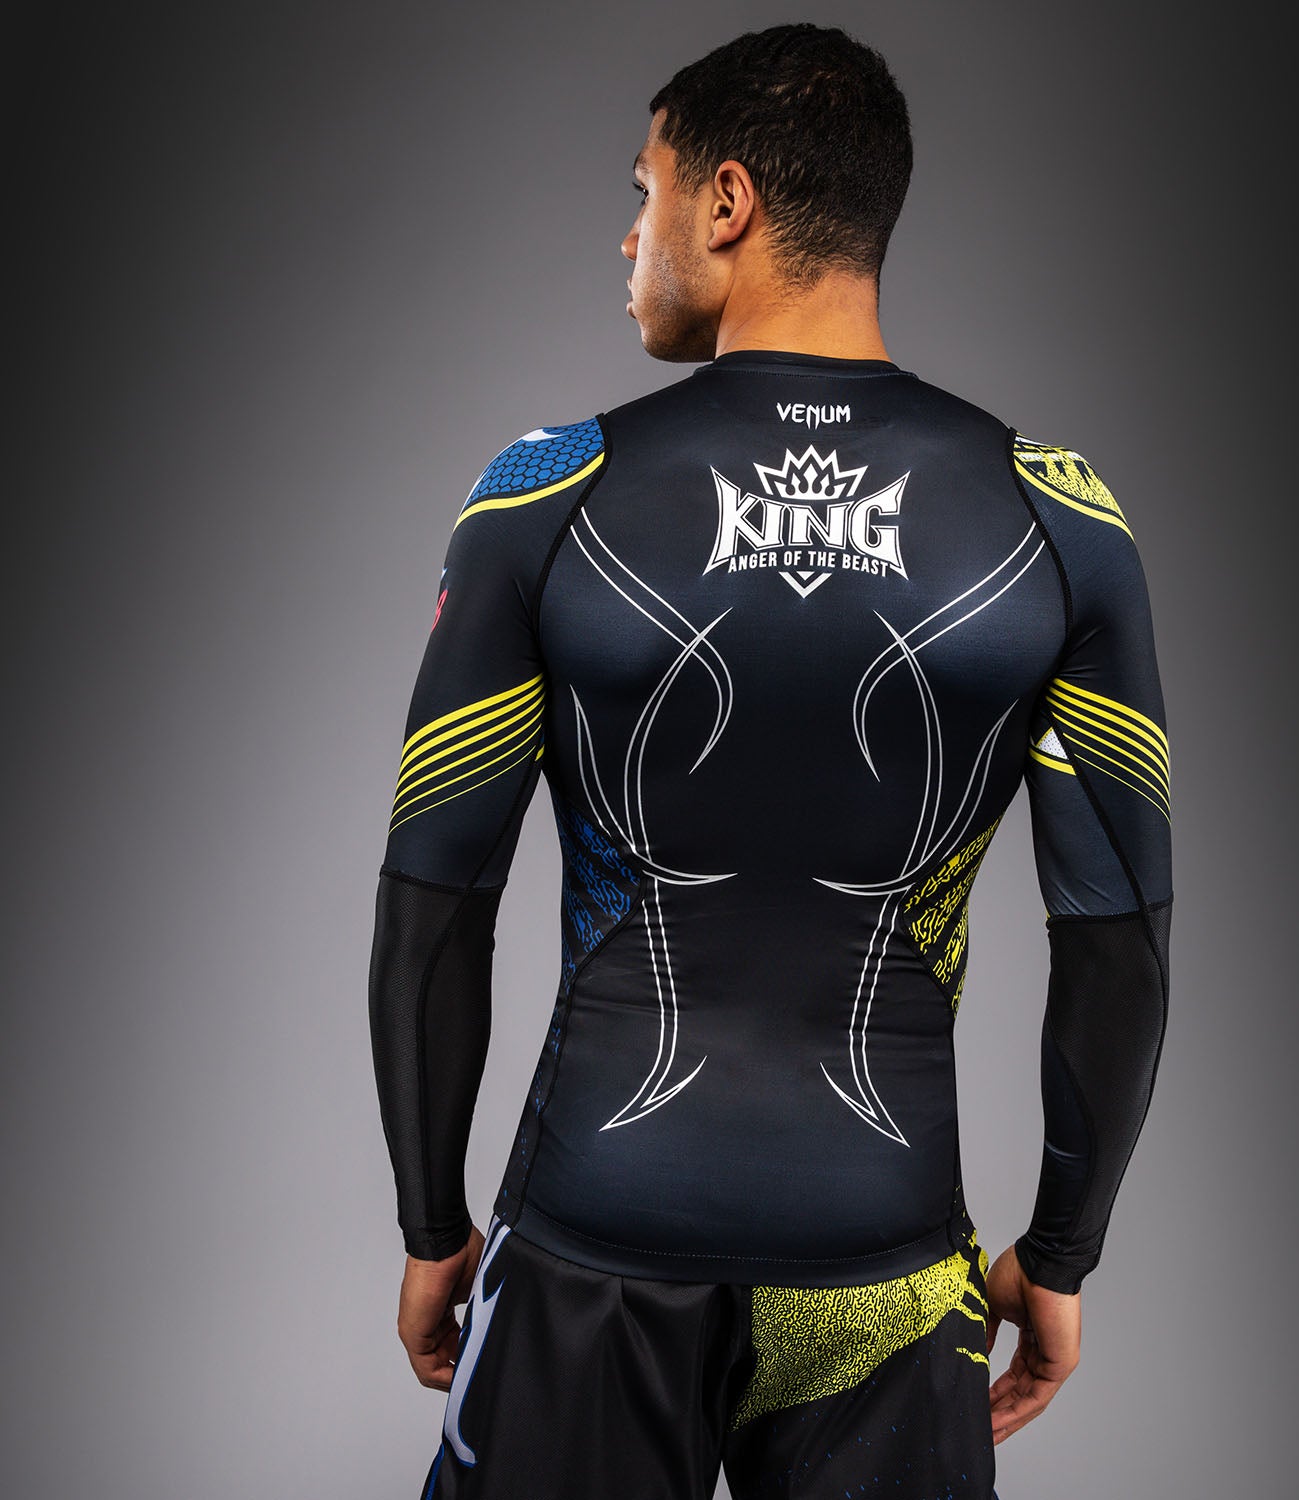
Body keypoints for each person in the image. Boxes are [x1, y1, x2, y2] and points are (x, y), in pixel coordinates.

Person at [367, 22, 1172, 1500]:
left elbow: (436, 898)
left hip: (593, 1244)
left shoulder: (544, 497)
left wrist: (431, 1227)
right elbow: (1117, 940)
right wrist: (1060, 1256)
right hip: (886, 1274)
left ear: (726, 202)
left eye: (647, 190)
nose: (630, 237)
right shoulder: (1061, 521)